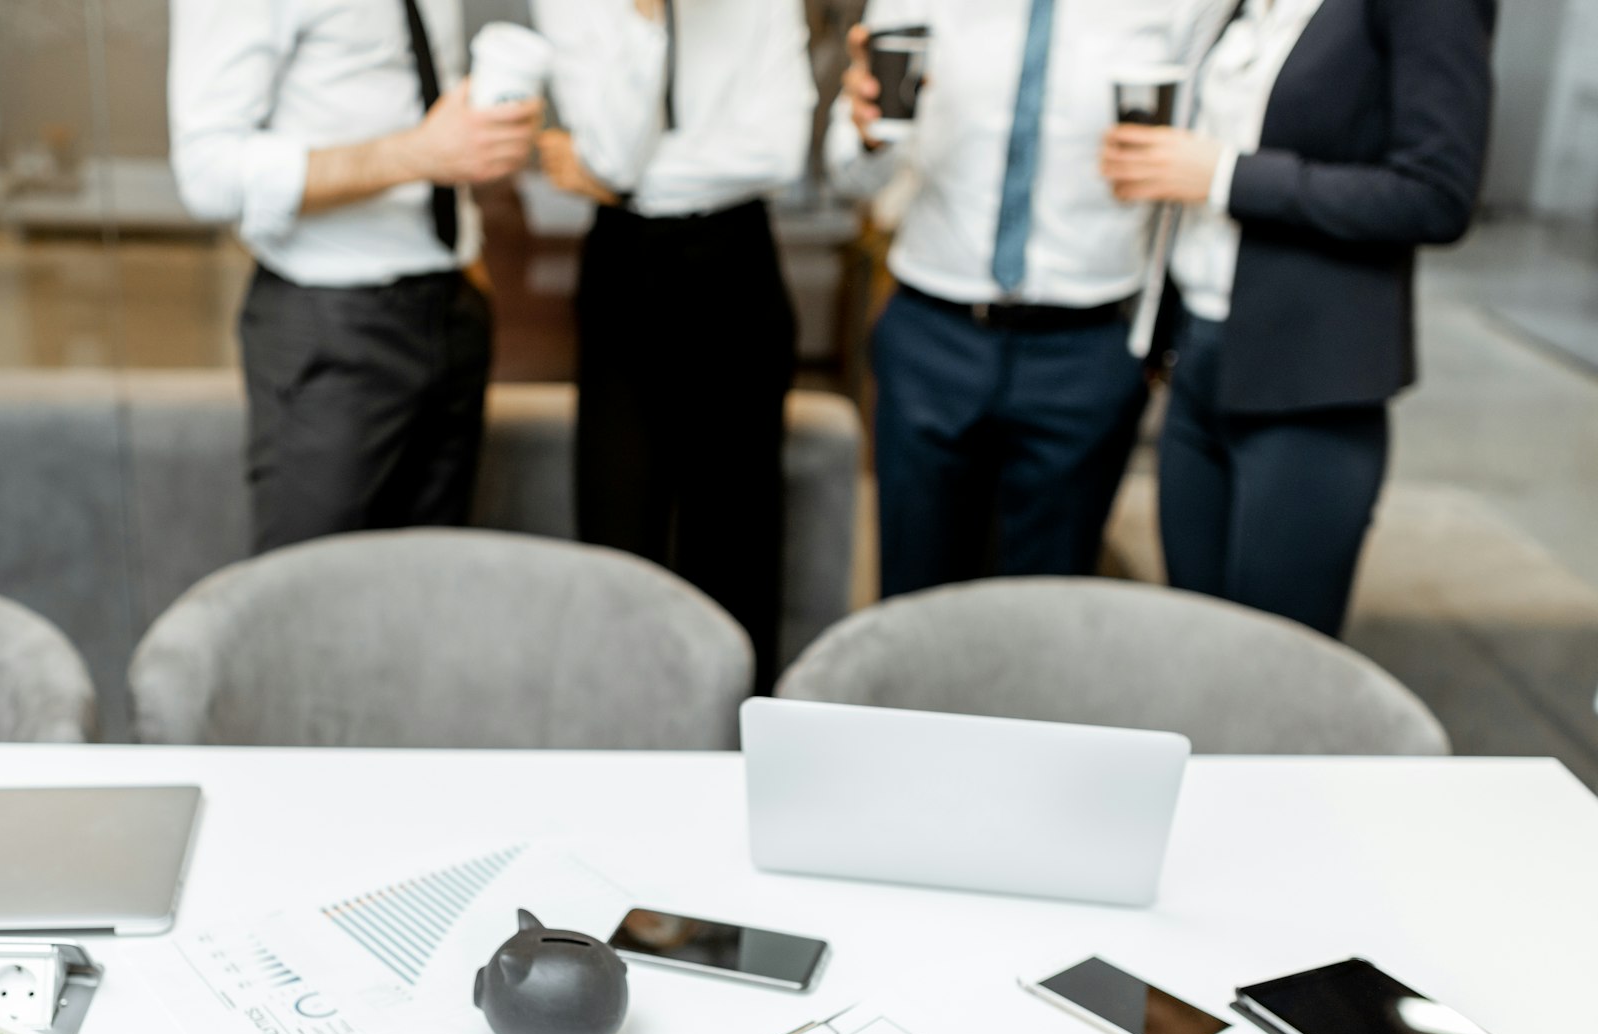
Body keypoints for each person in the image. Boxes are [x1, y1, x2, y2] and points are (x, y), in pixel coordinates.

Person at [1102, 0, 1496, 637]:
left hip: (1311, 384)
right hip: (1195, 360)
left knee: (1278, 668)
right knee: (1192, 644)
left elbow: (1438, 195)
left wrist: (1228, 177)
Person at [829, 1, 1229, 599]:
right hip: (933, 333)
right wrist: (866, 136)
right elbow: (849, 176)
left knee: (1046, 613)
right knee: (914, 600)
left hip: (1087, 347)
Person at [169, 0, 542, 554]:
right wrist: (414, 155)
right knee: (310, 599)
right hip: (332, 325)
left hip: (453, 303)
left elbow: (396, 92)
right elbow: (207, 174)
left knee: (431, 587)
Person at [530, 0, 815, 683]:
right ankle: (622, 753)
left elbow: (779, 153)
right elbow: (615, 149)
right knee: (618, 553)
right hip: (625, 271)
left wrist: (625, 183)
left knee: (737, 552)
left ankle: (737, 759)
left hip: (738, 264)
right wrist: (645, 22)